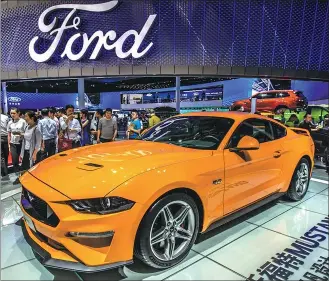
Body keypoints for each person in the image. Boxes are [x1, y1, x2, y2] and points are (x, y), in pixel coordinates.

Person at [13, 111, 42, 184]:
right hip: (26, 149)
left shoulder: (36, 129)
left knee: (31, 167)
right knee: (24, 166)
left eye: (26, 116)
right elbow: (26, 137)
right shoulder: (27, 127)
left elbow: (38, 143)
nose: (24, 118)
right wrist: (20, 134)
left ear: (32, 118)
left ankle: (30, 181)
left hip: (32, 151)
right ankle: (23, 179)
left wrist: (34, 153)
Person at [7, 108, 27, 179]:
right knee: (15, 161)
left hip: (21, 143)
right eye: (11, 113)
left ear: (18, 113)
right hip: (13, 144)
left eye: (14, 113)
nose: (12, 115)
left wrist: (20, 134)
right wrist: (9, 144)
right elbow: (9, 134)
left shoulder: (23, 122)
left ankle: (24, 175)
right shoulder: (9, 122)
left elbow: (27, 133)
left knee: (23, 160)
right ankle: (17, 176)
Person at [1, 110, 9, 181]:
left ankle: (4, 172)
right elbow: (8, 128)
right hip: (5, 138)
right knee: (5, 155)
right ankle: (5, 171)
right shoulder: (6, 117)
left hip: (5, 138)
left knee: (2, 156)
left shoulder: (5, 117)